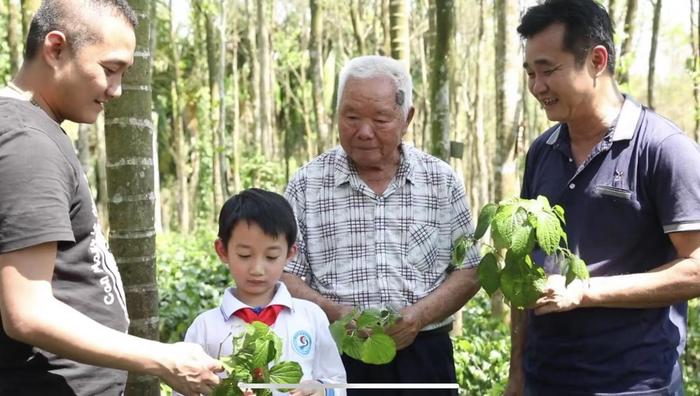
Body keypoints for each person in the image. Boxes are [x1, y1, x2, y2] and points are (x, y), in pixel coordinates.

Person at [0, 1, 222, 395]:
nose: (117, 90)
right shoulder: (27, 143)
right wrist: (164, 360)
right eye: (110, 69)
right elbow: (27, 312)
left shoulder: (31, 128)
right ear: (55, 49)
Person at [507, 1, 700, 395]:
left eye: (548, 70)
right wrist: (517, 375)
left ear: (597, 60)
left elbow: (696, 268)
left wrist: (584, 291)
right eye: (530, 73)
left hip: (635, 384)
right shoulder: (542, 151)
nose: (537, 86)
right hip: (545, 380)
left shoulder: (664, 148)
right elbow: (524, 267)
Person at [281, 55, 481, 395]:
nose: (363, 131)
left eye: (381, 119)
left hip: (424, 357)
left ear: (407, 118)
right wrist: (334, 311)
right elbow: (285, 273)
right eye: (351, 116)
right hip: (335, 357)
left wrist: (418, 316)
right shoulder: (306, 184)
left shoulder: (440, 181)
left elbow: (470, 269)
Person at [182, 188, 347, 396]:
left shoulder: (311, 317)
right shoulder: (205, 328)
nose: (257, 269)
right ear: (222, 251)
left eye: (271, 257)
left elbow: (338, 383)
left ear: (290, 253)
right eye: (244, 255)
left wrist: (322, 390)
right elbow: (185, 390)